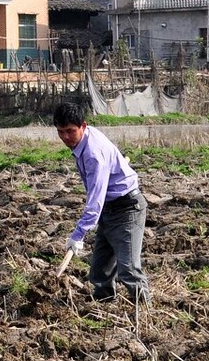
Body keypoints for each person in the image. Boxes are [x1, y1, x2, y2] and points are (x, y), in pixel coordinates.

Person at [54, 102, 150, 305]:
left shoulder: (93, 155)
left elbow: (95, 200)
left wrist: (78, 234)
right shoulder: (84, 141)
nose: (65, 137)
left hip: (127, 209)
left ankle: (145, 312)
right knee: (100, 270)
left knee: (129, 269)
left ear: (83, 126)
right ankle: (102, 305)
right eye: (61, 132)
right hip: (110, 207)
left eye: (70, 131)